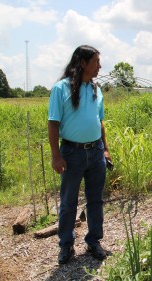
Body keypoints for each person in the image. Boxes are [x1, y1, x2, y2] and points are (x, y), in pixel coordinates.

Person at [48, 45, 112, 264]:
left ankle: (94, 241)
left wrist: (105, 148)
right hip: (72, 153)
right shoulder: (61, 89)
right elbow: (53, 124)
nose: (99, 66)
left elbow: (100, 121)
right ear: (83, 63)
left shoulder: (96, 89)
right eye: (96, 61)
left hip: (95, 153)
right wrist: (56, 156)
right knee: (68, 202)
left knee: (95, 200)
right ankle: (66, 245)